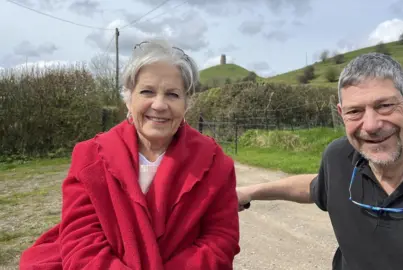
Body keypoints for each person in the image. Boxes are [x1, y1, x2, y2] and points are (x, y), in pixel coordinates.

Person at [236, 52, 403, 270]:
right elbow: (316, 187)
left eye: (384, 106)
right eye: (355, 112)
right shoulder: (338, 157)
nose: (371, 125)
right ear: (342, 115)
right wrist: (247, 192)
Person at [19, 39, 241, 270]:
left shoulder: (216, 163)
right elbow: (81, 242)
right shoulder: (89, 157)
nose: (159, 104)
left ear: (187, 103)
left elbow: (220, 240)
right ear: (128, 98)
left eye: (173, 94)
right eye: (147, 91)